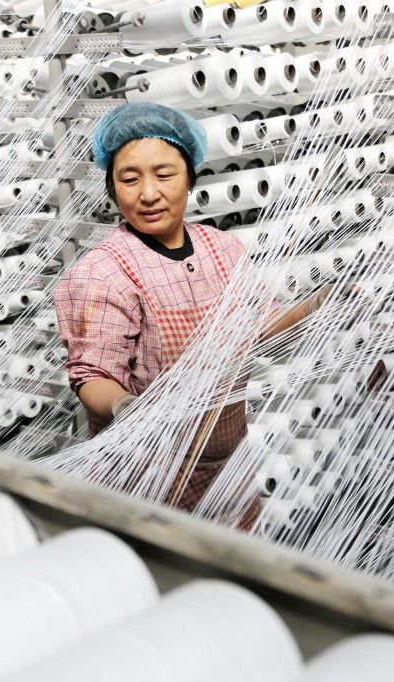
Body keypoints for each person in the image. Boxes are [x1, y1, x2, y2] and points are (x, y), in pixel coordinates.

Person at [54, 102, 329, 526]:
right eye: (129, 179)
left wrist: (312, 308)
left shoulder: (223, 250)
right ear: (112, 189)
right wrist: (125, 406)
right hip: (145, 474)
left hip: (227, 469)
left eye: (165, 175)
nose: (148, 194)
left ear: (190, 178)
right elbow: (91, 376)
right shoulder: (102, 272)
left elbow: (259, 328)